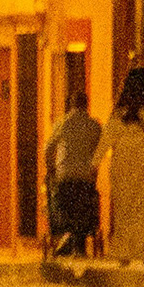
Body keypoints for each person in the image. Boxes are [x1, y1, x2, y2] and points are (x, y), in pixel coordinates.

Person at [104, 69, 144, 263]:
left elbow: (106, 139)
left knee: (125, 210)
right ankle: (139, 248)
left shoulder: (119, 113)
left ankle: (127, 250)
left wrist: (94, 163)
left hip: (120, 166)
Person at [43, 91, 105, 257]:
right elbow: (101, 149)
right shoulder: (94, 125)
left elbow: (48, 149)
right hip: (86, 177)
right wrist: (94, 167)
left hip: (65, 176)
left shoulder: (62, 123)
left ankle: (68, 237)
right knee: (84, 208)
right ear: (87, 105)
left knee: (62, 205)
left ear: (71, 105)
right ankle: (78, 244)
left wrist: (51, 168)